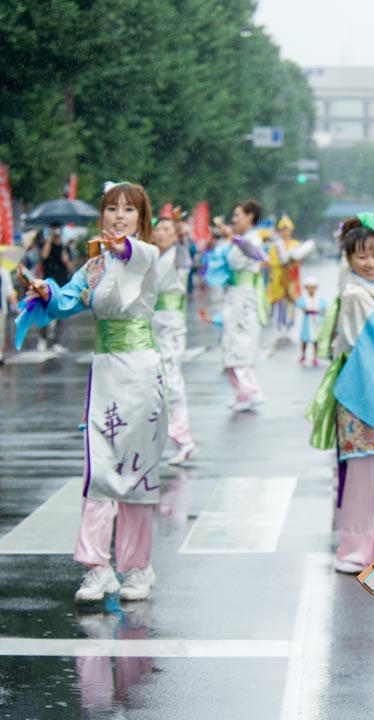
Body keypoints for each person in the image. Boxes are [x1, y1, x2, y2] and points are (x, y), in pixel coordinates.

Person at [16, 181, 166, 602]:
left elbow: (136, 256)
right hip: (105, 373)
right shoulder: (96, 266)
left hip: (140, 371)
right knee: (98, 470)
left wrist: (119, 249)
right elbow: (67, 300)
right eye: (112, 209)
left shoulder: (146, 255)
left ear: (141, 219)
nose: (119, 216)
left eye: (128, 210)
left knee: (135, 471)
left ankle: (137, 567)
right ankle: (97, 567)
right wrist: (46, 291)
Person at [306, 215, 374, 573]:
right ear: (348, 258)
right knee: (363, 470)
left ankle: (367, 545)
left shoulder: (367, 289)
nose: (372, 262)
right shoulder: (355, 295)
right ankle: (354, 549)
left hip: (364, 389)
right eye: (362, 256)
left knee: (369, 469)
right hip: (360, 392)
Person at [152, 217, 198, 465]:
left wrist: (183, 239)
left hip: (171, 321)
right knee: (157, 379)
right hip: (153, 320)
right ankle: (165, 437)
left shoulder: (179, 255)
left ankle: (183, 437)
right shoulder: (153, 257)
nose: (160, 233)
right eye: (157, 228)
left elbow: (186, 259)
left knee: (170, 378)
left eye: (166, 229)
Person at [219, 200, 267, 412]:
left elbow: (255, 253)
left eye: (237, 215)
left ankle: (252, 390)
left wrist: (233, 237)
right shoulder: (240, 240)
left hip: (246, 297)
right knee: (230, 342)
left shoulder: (253, 239)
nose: (234, 219)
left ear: (249, 216)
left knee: (242, 342)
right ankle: (241, 394)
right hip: (234, 293)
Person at [38, 223, 75, 351]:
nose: (57, 232)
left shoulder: (65, 248)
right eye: (54, 229)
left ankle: (56, 342)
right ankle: (43, 339)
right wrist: (49, 239)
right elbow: (43, 256)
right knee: (46, 312)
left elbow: (72, 269)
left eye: (59, 229)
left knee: (60, 313)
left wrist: (66, 261)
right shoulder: (47, 244)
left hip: (62, 284)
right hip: (48, 284)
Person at [267, 215, 303, 344]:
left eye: (287, 229)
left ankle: (288, 329)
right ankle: (279, 329)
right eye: (282, 229)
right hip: (279, 280)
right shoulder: (275, 246)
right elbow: (272, 262)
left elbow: (299, 261)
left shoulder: (296, 244)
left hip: (291, 280)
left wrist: (292, 262)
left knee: (290, 305)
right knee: (278, 305)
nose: (285, 232)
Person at [296, 277, 327, 366]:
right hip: (308, 322)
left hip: (317, 322)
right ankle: (303, 355)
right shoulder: (304, 299)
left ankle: (315, 357)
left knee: (315, 340)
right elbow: (302, 307)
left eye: (313, 287)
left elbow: (324, 310)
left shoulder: (319, 299)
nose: (311, 289)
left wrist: (319, 312)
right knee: (305, 340)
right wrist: (309, 310)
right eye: (309, 287)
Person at [0, 263, 16, 363]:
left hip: (1, 308)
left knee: (1, 332)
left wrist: (16, 306)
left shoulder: (4, 273)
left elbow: (9, 291)